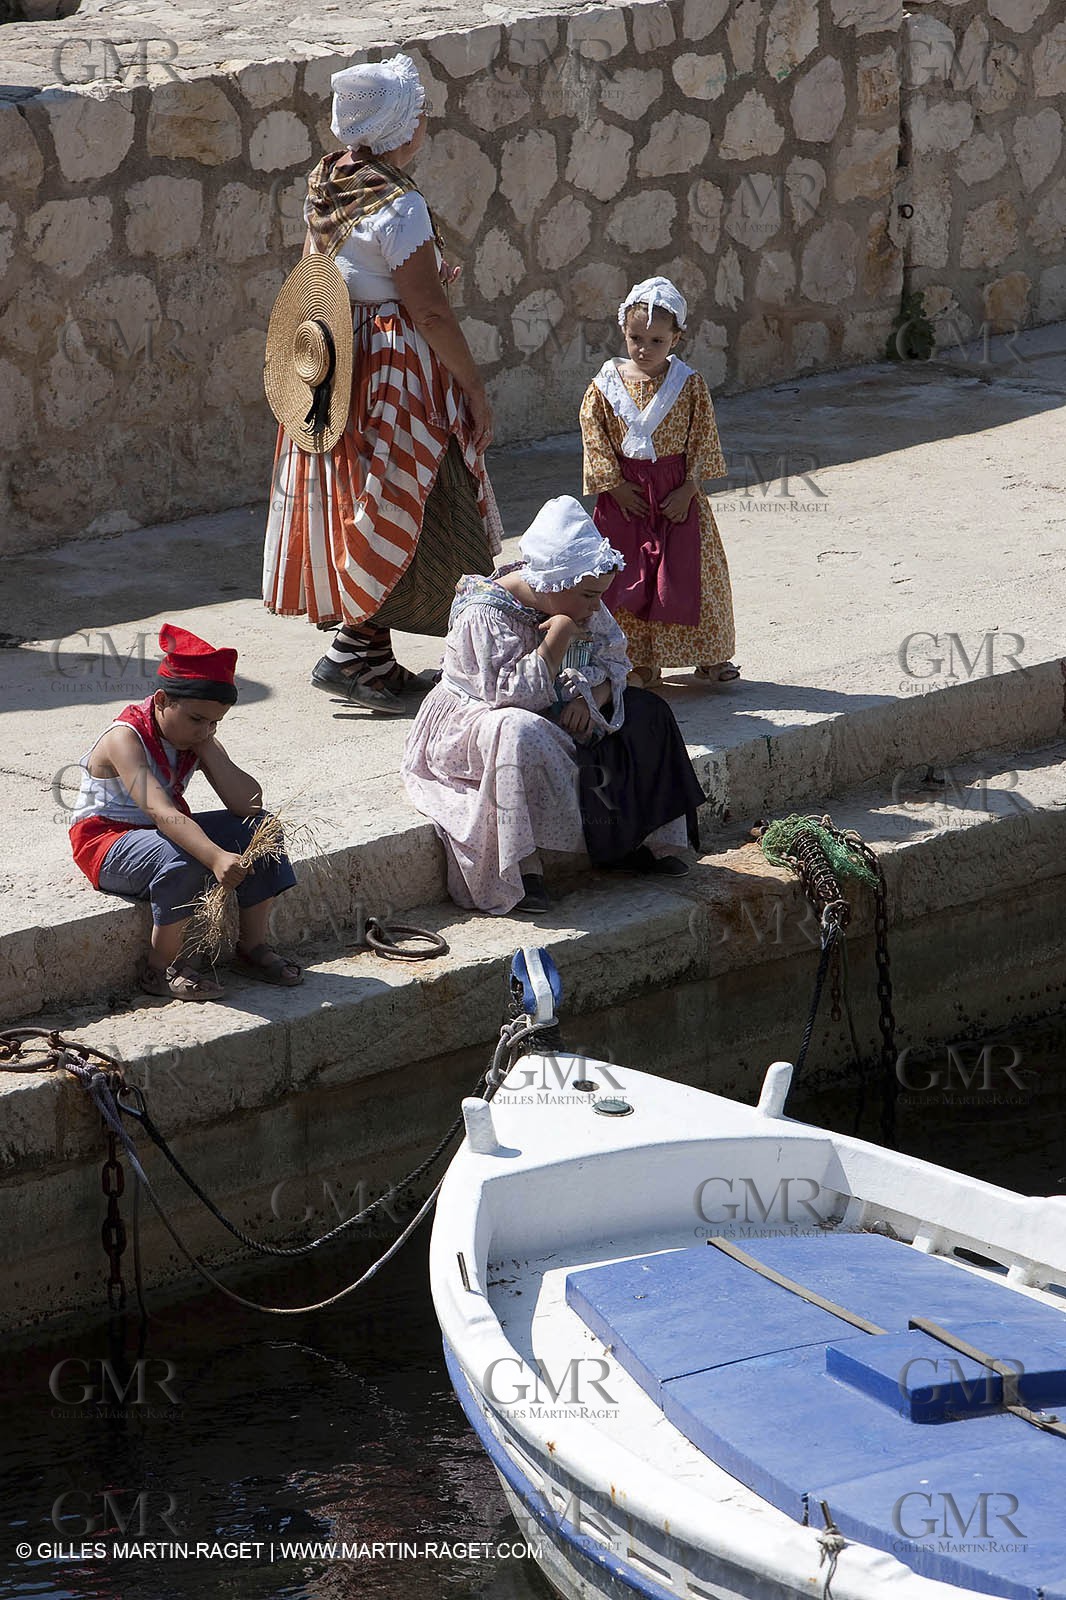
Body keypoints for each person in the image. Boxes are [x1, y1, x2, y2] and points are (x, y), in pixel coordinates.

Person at [263, 53, 502, 715]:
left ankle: (364, 656)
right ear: (400, 127)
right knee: (423, 493)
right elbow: (427, 309)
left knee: (363, 494)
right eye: (418, 112)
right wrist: (474, 388)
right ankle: (364, 652)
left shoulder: (328, 179)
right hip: (396, 367)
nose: (425, 121)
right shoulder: (400, 205)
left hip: (339, 354)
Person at [401, 497, 707, 916]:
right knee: (516, 732)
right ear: (553, 584)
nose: (594, 607)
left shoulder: (580, 598)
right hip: (476, 720)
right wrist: (557, 637)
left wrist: (591, 695)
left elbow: (616, 658)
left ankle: (637, 841)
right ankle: (523, 871)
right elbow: (511, 696)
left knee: (647, 712)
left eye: (597, 596)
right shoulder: (485, 613)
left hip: (562, 703)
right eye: (587, 597)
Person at [68, 624, 302, 1001]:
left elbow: (249, 805)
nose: (205, 729)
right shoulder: (124, 739)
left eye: (215, 722)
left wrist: (208, 748)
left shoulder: (197, 737)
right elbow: (161, 811)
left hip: (161, 834)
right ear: (161, 700)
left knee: (264, 830)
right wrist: (215, 856)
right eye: (197, 719)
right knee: (185, 857)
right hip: (107, 842)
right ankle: (162, 969)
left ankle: (252, 947)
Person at [579, 276, 738, 688]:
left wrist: (689, 489)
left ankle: (707, 656)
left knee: (688, 575)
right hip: (625, 497)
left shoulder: (689, 385)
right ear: (622, 331)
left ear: (676, 339)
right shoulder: (604, 386)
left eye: (656, 341)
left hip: (675, 496)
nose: (644, 349)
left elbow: (703, 437)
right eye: (636, 338)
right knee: (628, 580)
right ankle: (638, 661)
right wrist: (613, 486)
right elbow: (594, 436)